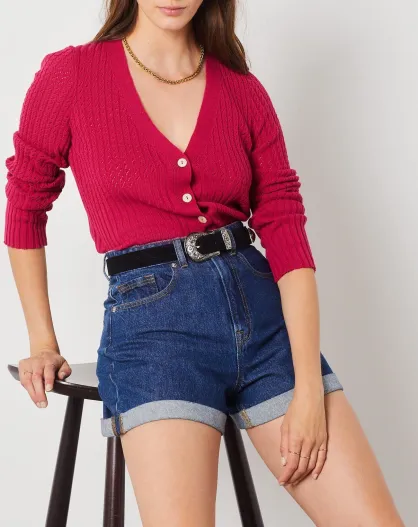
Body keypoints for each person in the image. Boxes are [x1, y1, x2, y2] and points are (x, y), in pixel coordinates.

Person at [4, 1, 405, 525]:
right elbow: (26, 202)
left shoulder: (241, 89)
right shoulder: (72, 75)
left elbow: (286, 231)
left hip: (264, 326)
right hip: (156, 335)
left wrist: (309, 387)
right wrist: (42, 340)